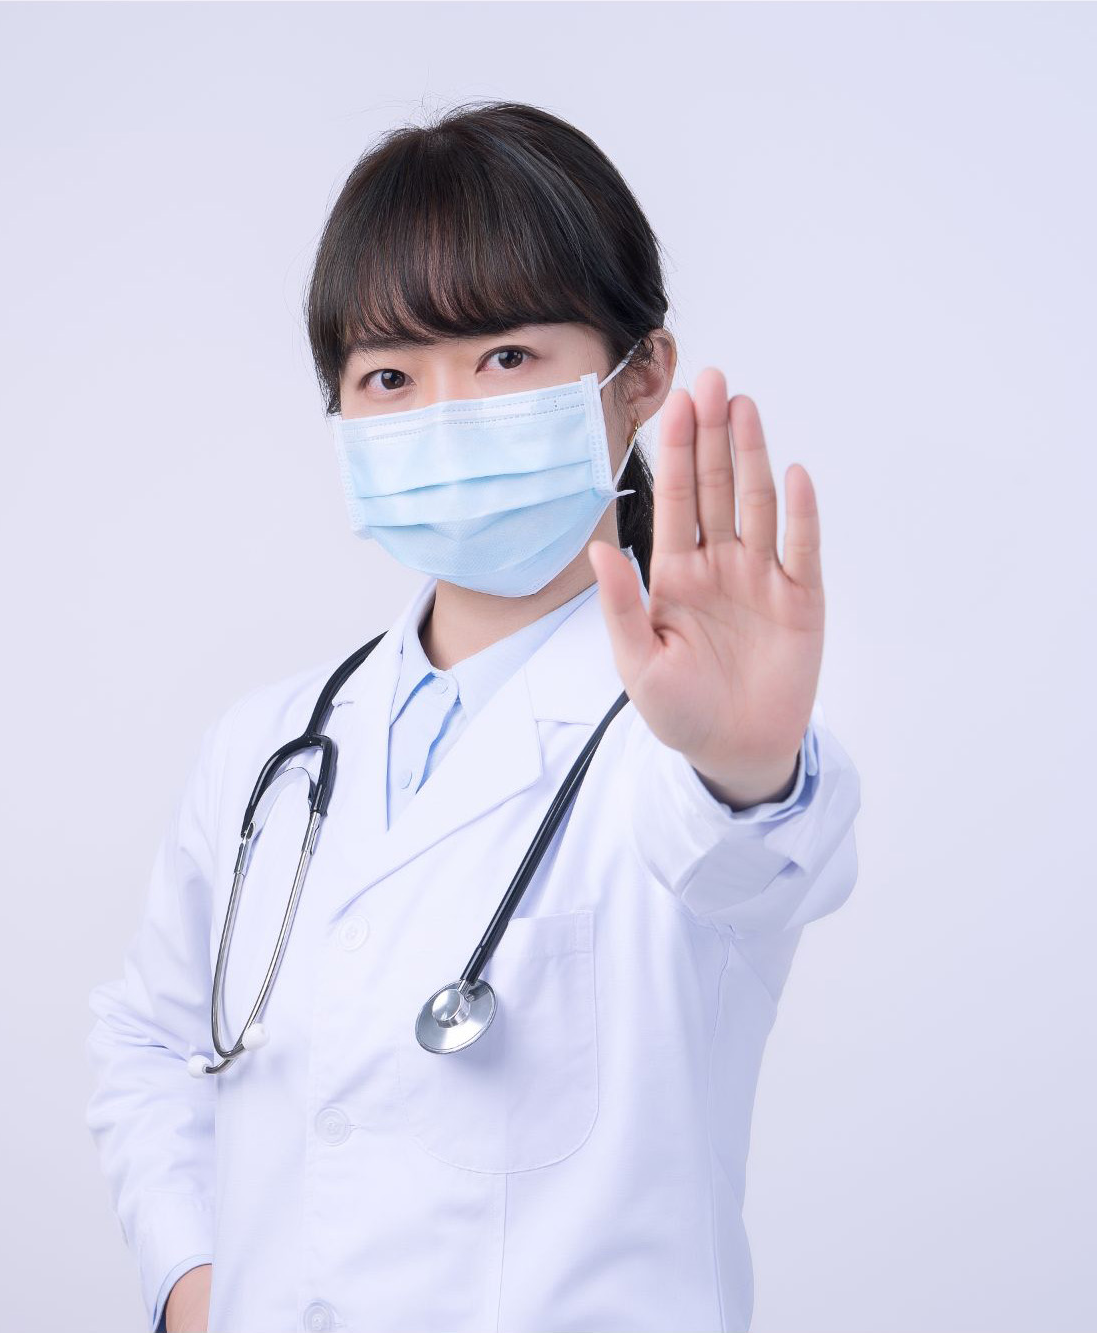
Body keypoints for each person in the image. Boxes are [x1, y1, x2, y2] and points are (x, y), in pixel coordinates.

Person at [84, 99, 862, 1333]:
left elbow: (756, 866)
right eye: (387, 377)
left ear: (636, 377)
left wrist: (744, 767)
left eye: (504, 359)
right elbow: (150, 1040)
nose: (442, 414)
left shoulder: (677, 745)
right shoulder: (266, 747)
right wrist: (192, 1283)